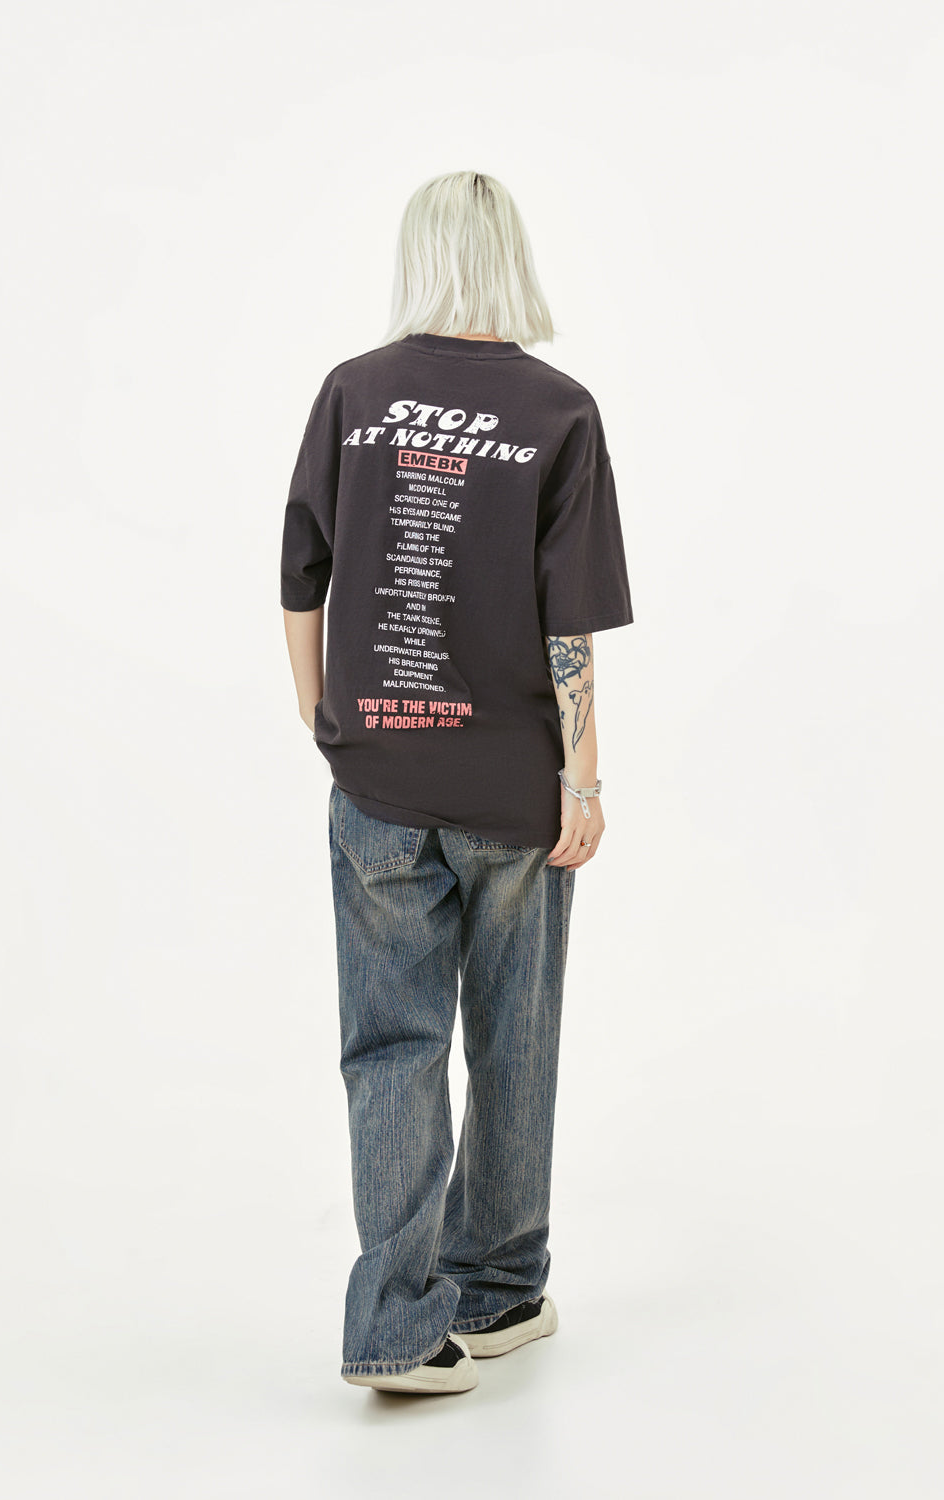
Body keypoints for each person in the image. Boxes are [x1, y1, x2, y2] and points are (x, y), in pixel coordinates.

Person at [280, 171, 633, 1395]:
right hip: (510, 789)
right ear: (508, 257)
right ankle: (498, 1290)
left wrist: (324, 721)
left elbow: (299, 571)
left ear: (419, 257)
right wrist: (581, 781)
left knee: (388, 1045)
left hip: (377, 778)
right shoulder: (557, 411)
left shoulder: (352, 393)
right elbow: (567, 619)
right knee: (511, 1039)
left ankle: (391, 1322)